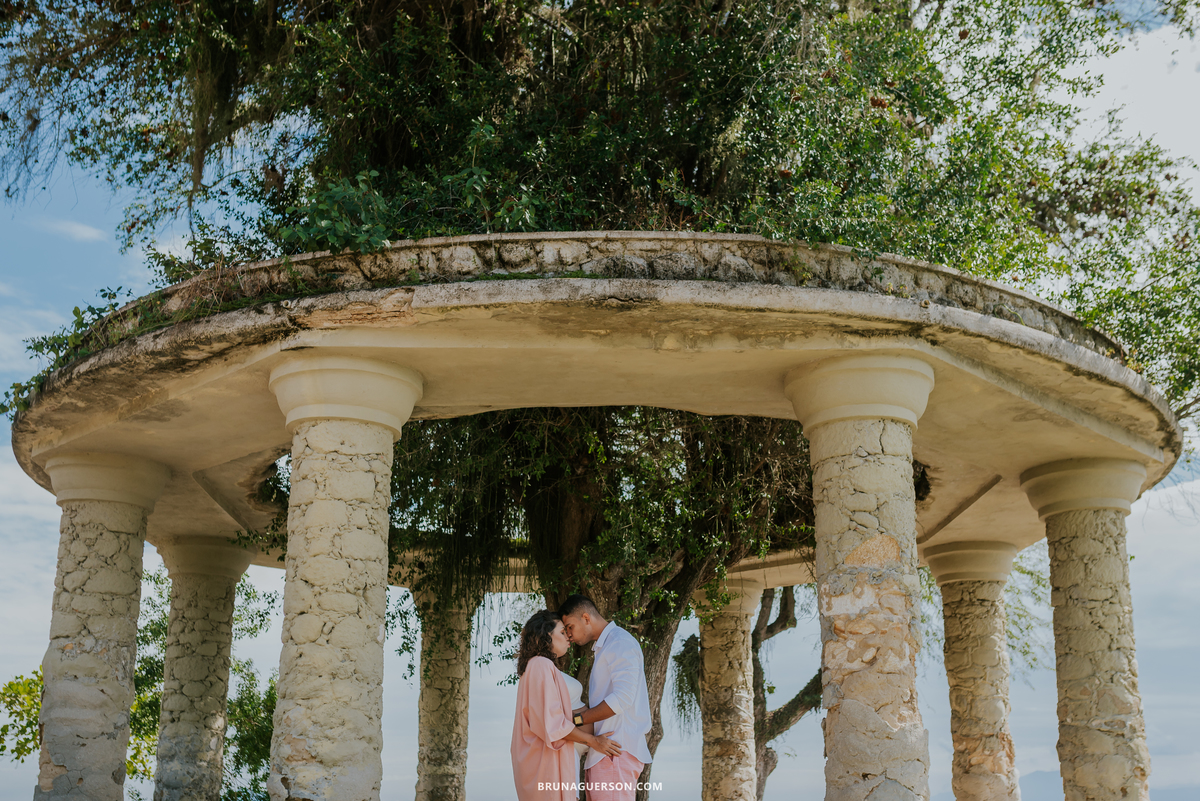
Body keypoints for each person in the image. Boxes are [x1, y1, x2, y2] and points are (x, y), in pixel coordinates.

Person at [511, 609, 622, 801]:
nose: (568, 637)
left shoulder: (541, 667)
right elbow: (551, 723)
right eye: (562, 632)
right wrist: (594, 741)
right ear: (545, 636)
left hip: (563, 759)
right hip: (549, 761)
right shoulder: (540, 665)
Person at [560, 595, 653, 801]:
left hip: (614, 753)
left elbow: (622, 698)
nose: (568, 635)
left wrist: (578, 720)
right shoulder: (608, 645)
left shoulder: (619, 643)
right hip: (606, 753)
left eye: (569, 626)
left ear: (586, 617)